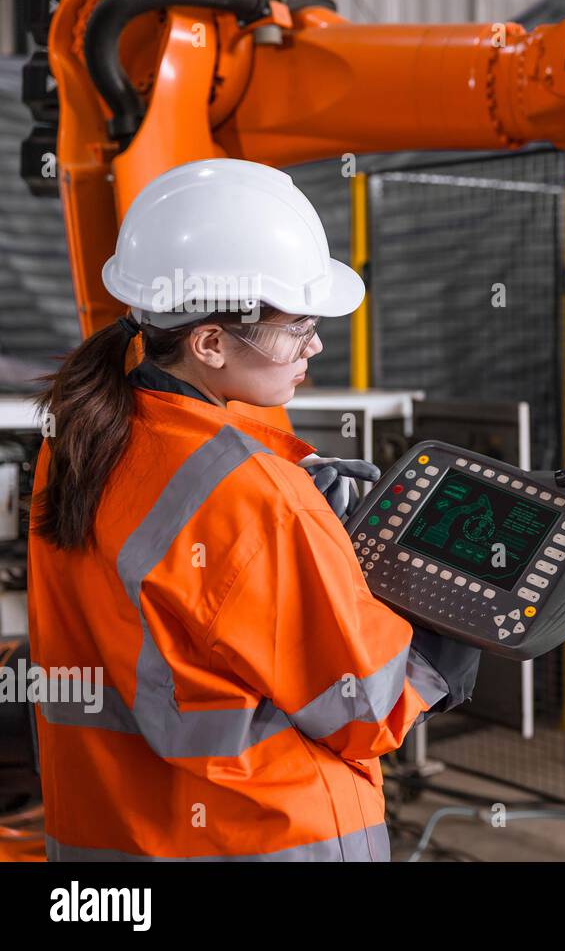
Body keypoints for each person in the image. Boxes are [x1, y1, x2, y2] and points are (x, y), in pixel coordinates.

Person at [28, 158, 481, 861]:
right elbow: (363, 711)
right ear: (210, 342)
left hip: (112, 835)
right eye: (297, 327)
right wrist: (445, 650)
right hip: (263, 837)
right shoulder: (258, 497)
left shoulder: (85, 431)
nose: (316, 346)